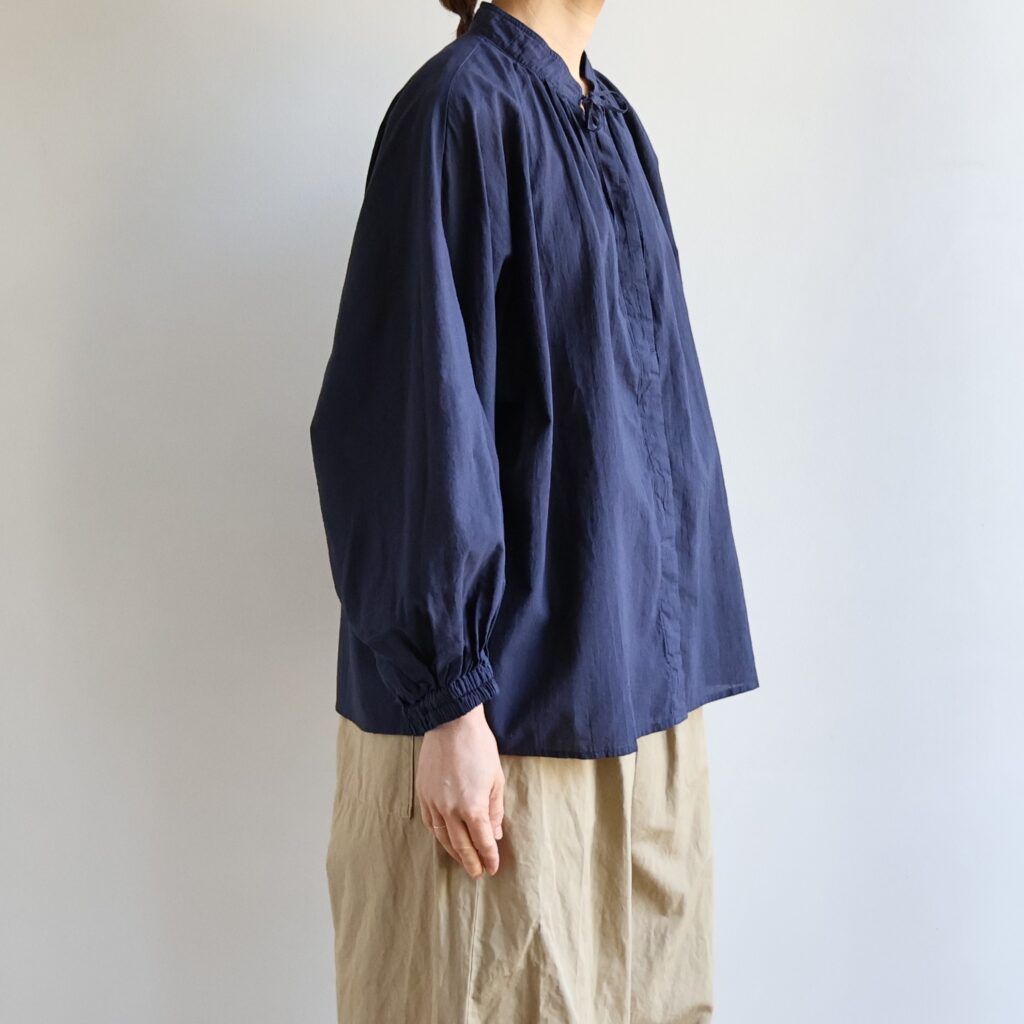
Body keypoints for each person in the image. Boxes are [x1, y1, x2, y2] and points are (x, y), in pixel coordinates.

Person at [309, 1, 760, 1020]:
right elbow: (407, 418)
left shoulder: (610, 120)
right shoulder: (454, 113)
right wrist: (447, 701)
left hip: (637, 706)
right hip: (504, 723)